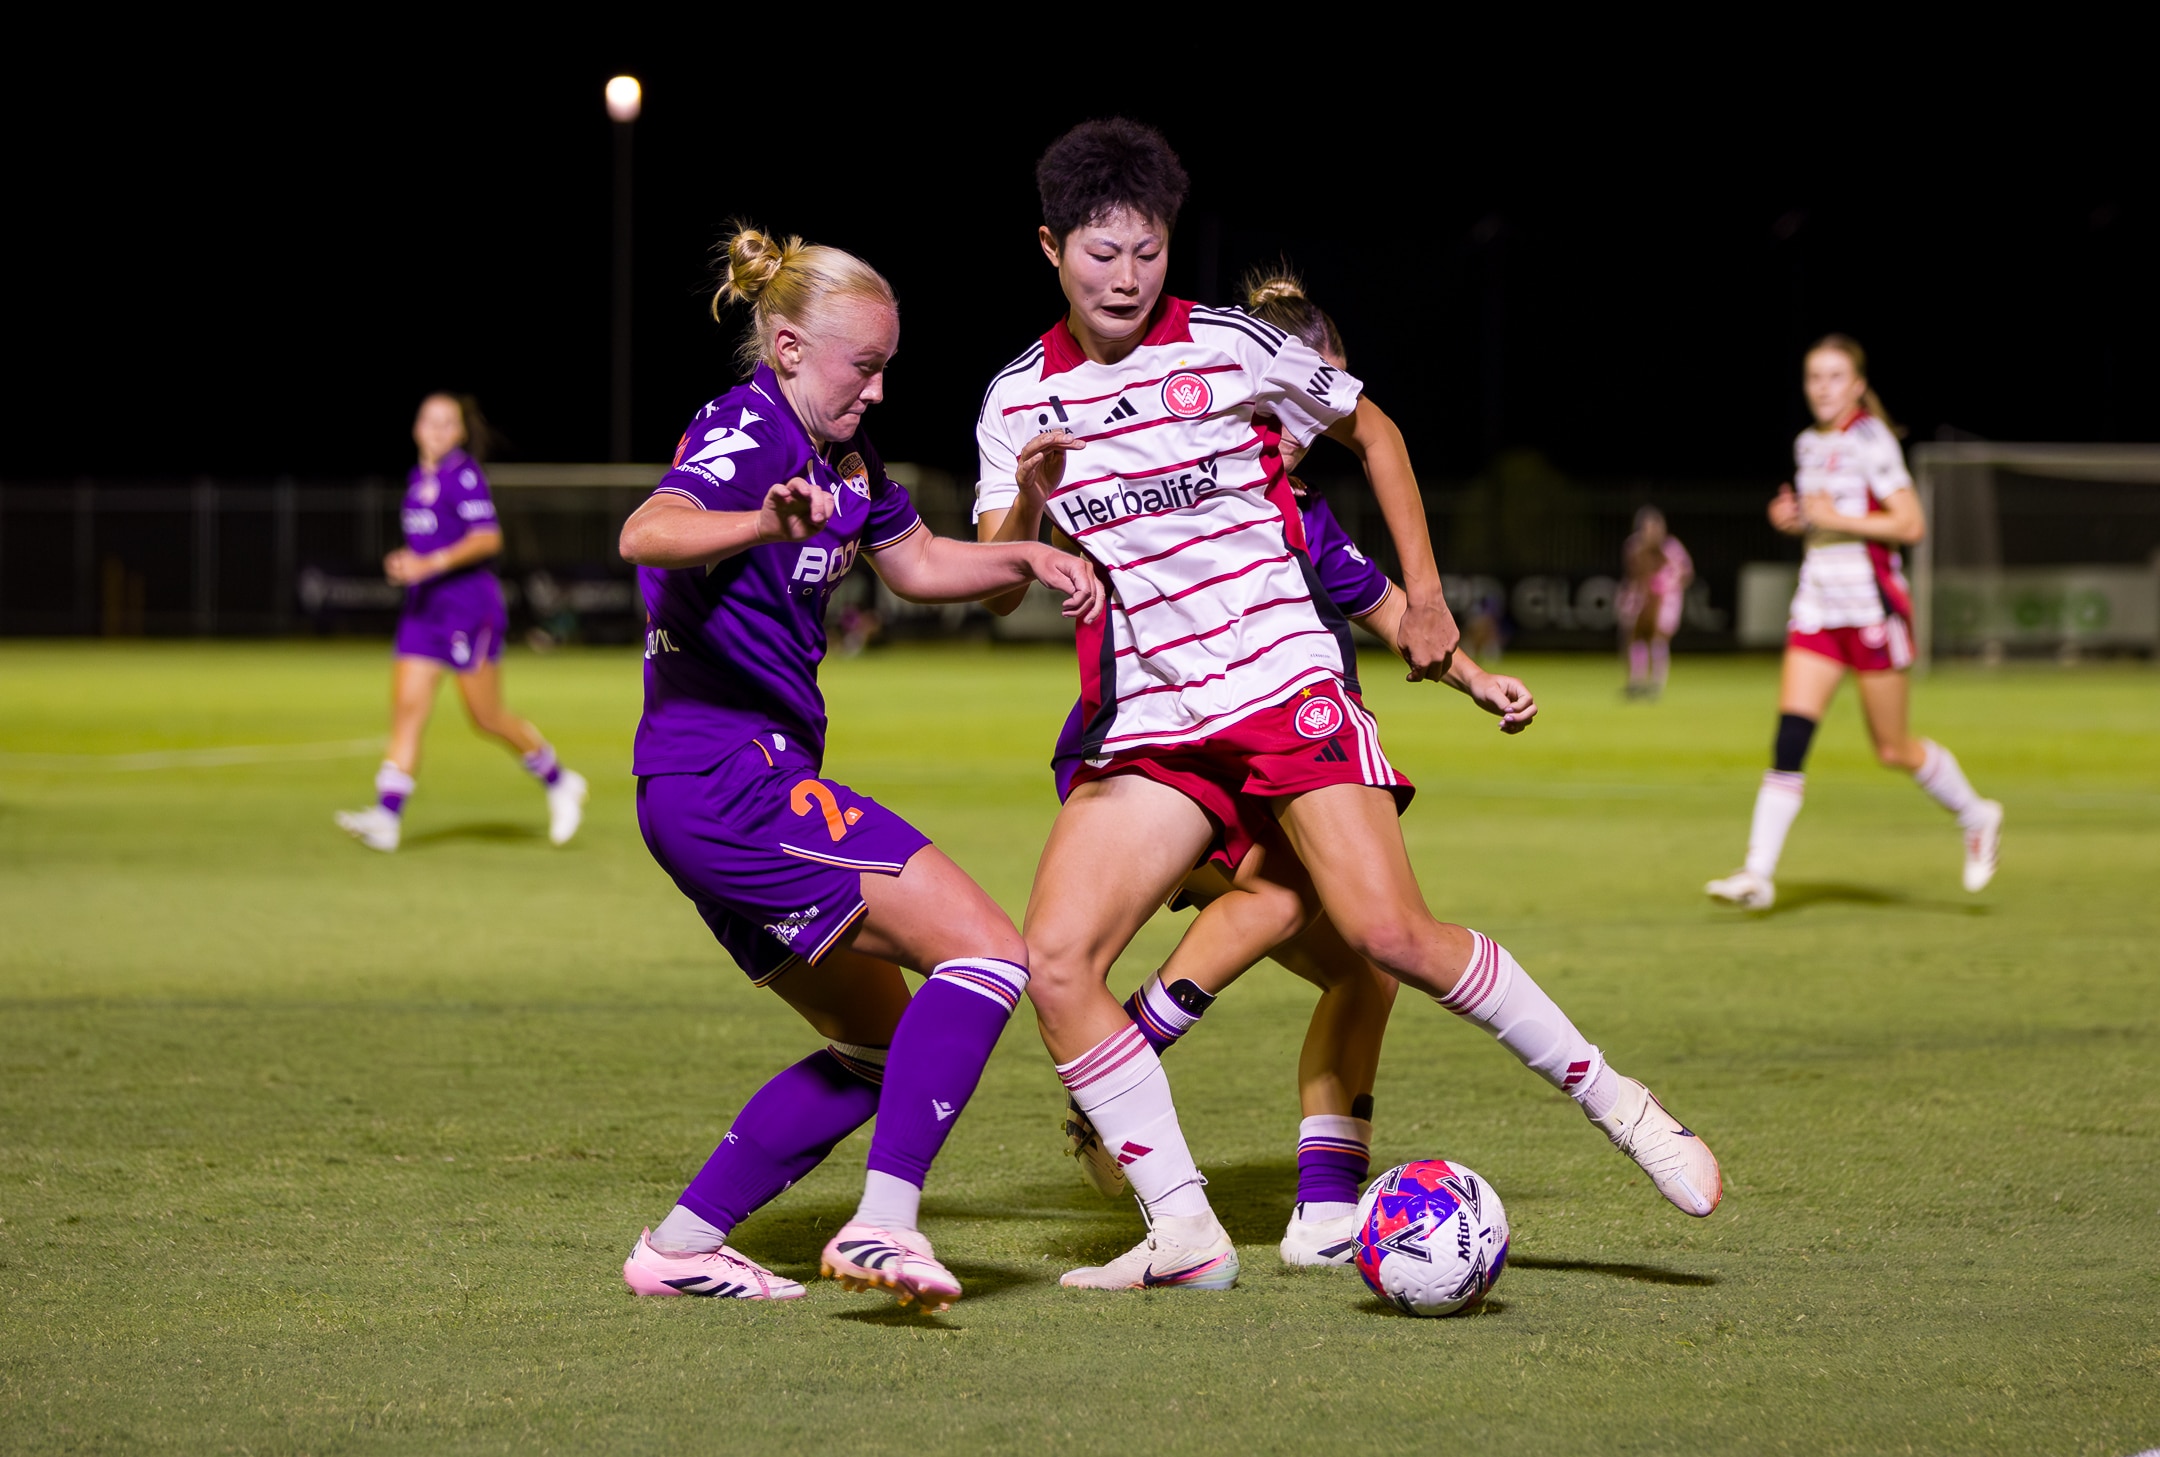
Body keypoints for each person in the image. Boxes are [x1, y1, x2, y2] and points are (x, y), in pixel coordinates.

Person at [977, 119, 1722, 1292]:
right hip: (1159, 724)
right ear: (1049, 247)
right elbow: (993, 567)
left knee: (1385, 940)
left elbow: (1374, 428)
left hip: (1283, 686)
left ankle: (1624, 1103)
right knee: (1057, 957)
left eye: (1148, 252)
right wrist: (1026, 509)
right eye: (1099, 255)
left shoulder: (1230, 345)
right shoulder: (1017, 399)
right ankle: (1185, 1229)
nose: (1126, 278)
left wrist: (1429, 604)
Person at [982, 267, 1541, 1269]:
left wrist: (1473, 676)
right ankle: (1127, 1061)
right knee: (1286, 891)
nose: (1308, 420)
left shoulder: (1304, 512)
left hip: (1262, 751)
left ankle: (1324, 1209)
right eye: (1300, 396)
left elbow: (1378, 599)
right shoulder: (1173, 454)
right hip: (1154, 763)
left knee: (1368, 970)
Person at [615, 227, 1104, 1311]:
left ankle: (682, 1246)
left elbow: (923, 561)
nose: (879, 390)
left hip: (711, 792)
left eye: (887, 367)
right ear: (787, 347)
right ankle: (886, 1221)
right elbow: (648, 532)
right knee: (987, 950)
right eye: (863, 367)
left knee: (879, 1044)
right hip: (728, 777)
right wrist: (757, 519)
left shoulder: (845, 459)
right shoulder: (748, 430)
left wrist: (1025, 547)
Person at [1707, 336, 2002, 910]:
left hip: (1872, 609)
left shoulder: (1872, 441)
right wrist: (1793, 521)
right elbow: (1823, 524)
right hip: (1819, 606)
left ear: (1858, 385)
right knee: (1790, 739)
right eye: (1815, 377)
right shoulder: (1807, 443)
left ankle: (1977, 813)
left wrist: (1834, 516)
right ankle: (1757, 874)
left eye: (1835, 377)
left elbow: (1910, 525)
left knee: (1892, 749)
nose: (1823, 387)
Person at [336, 394, 586, 853]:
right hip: (423, 611)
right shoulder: (418, 479)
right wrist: (408, 563)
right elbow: (429, 547)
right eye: (428, 420)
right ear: (415, 427)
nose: (435, 429)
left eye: (445, 423)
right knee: (407, 713)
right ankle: (387, 818)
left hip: (468, 612)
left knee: (486, 716)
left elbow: (488, 537)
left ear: (458, 433)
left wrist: (427, 564)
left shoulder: (462, 475)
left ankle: (560, 780)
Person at [1617, 505, 1693, 699]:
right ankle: (1636, 680)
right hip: (1642, 596)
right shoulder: (1634, 546)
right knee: (1636, 636)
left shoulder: (1672, 548)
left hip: (1666, 598)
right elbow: (1632, 574)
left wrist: (1665, 584)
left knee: (1659, 637)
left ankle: (1656, 682)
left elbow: (1686, 573)